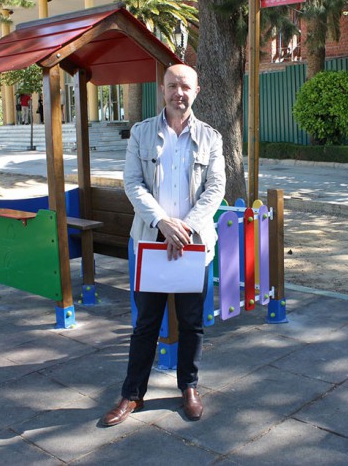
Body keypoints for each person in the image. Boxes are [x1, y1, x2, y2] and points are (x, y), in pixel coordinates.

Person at [101, 64, 225, 426]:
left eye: (185, 86)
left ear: (197, 90)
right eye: (172, 86)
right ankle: (132, 394)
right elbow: (132, 182)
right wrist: (162, 222)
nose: (178, 93)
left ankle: (188, 387)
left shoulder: (211, 138)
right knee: (145, 323)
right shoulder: (141, 134)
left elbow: (215, 188)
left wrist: (184, 227)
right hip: (150, 241)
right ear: (162, 89)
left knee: (191, 322)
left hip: (193, 242)